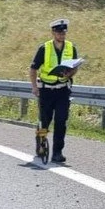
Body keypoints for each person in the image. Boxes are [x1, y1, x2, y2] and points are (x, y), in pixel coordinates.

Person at [29, 18, 81, 164]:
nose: (62, 34)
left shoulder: (71, 47)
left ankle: (57, 152)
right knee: (44, 121)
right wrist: (34, 87)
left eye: (64, 32)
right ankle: (41, 142)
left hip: (62, 91)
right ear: (53, 32)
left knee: (61, 121)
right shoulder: (44, 48)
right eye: (59, 32)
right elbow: (33, 69)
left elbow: (75, 66)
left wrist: (69, 74)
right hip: (46, 91)